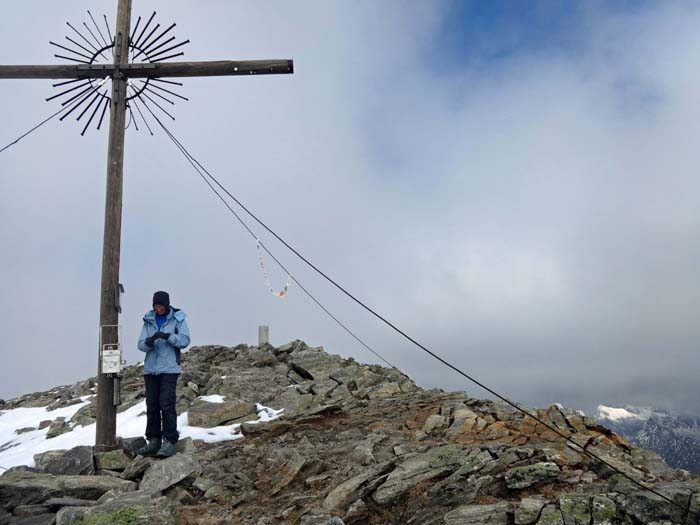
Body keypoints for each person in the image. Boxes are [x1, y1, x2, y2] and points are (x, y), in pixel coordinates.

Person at [135, 291, 191, 458]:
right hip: (151, 370)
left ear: (166, 305)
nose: (157, 308)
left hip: (169, 369)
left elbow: (185, 340)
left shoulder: (178, 318)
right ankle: (153, 440)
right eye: (155, 306)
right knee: (152, 406)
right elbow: (140, 344)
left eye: (160, 306)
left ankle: (169, 441)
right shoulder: (148, 319)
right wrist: (149, 341)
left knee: (166, 404)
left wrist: (168, 336)